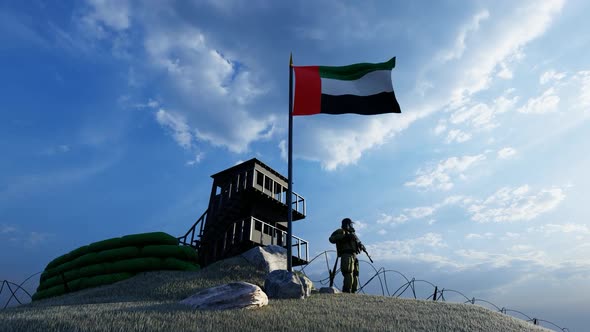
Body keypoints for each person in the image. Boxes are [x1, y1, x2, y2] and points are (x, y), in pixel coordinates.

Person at [329, 218, 363, 293]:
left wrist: (360, 246)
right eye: (350, 224)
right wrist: (345, 237)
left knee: (355, 274)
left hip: (354, 256)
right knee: (348, 273)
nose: (351, 226)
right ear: (347, 224)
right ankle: (347, 291)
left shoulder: (353, 235)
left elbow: (357, 245)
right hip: (346, 255)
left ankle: (353, 291)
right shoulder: (341, 231)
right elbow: (331, 239)